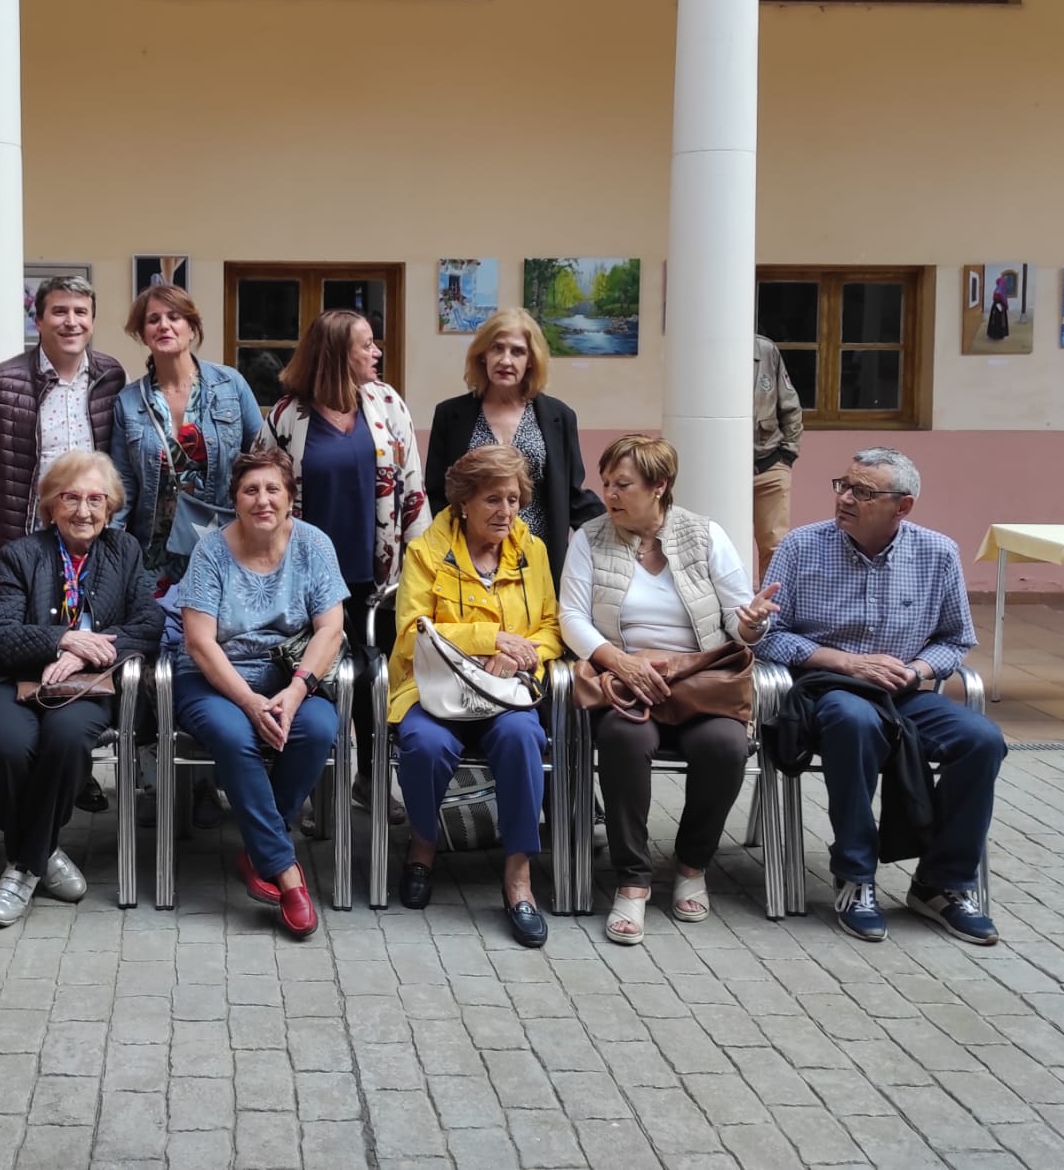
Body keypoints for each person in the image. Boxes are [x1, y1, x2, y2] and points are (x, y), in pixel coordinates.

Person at [755, 448, 1004, 946]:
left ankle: (942, 883)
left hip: (903, 691)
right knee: (855, 723)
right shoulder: (802, 547)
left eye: (863, 492)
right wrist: (842, 661)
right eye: (842, 485)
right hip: (827, 689)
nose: (845, 498)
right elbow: (767, 635)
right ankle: (855, 875)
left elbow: (956, 640)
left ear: (902, 507)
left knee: (982, 740)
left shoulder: (937, 553)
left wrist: (917, 670)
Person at [559, 435, 778, 945]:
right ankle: (633, 881)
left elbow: (737, 617)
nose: (609, 494)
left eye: (623, 485)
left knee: (725, 747)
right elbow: (571, 617)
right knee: (623, 741)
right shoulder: (589, 538)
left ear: (659, 487)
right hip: (627, 684)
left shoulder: (705, 535)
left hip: (699, 684)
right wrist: (620, 662)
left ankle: (690, 864)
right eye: (606, 483)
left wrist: (750, 625)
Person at [0, 451, 161, 926]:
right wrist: (62, 639)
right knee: (10, 745)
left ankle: (21, 868)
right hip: (9, 680)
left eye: (96, 499)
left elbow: (149, 623)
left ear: (111, 507)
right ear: (51, 505)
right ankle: (43, 853)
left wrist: (85, 654)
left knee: (66, 737)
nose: (84, 510)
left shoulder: (125, 551)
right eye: (70, 498)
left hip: (88, 684)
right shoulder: (21, 555)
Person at [385, 446, 563, 947]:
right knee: (425, 744)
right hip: (435, 688)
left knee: (522, 736)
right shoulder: (426, 551)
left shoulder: (534, 552)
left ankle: (518, 873)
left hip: (505, 690)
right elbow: (410, 631)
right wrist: (490, 639)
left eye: (513, 500)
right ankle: (423, 843)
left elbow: (551, 628)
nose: (506, 512)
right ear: (463, 502)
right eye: (492, 500)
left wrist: (523, 653)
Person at [176, 446, 348, 938]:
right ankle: (287, 872)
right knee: (235, 736)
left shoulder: (314, 544)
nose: (263, 500)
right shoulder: (211, 550)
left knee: (318, 727)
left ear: (291, 498)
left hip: (289, 676)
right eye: (251, 490)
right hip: (214, 679)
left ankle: (257, 850)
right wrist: (250, 703)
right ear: (235, 499)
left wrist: (294, 694)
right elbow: (199, 641)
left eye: (274, 488)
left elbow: (330, 630)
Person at [262, 309, 428, 814]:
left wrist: (419, 570)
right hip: (305, 579)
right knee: (314, 681)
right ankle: (313, 787)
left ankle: (371, 780)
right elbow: (266, 495)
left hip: (373, 577)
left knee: (374, 685)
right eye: (366, 345)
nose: (376, 353)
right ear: (336, 352)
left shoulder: (386, 403)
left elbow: (412, 489)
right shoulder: (288, 415)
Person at [110, 281, 262, 828]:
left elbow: (260, 459)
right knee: (158, 661)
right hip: (155, 556)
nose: (164, 326)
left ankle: (211, 777)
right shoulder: (130, 402)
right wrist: (117, 556)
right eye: (153, 319)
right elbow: (123, 484)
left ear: (193, 327)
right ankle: (165, 783)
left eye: (175, 317)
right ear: (141, 333)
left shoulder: (230, 386)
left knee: (219, 652)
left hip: (226, 552)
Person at [0, 275, 127, 590]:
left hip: (94, 540)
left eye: (81, 312)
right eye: (60, 311)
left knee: (91, 634)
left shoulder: (113, 378)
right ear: (38, 320)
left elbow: (123, 465)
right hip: (23, 540)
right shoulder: (0, 384)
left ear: (92, 321)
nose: (71, 322)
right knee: (24, 635)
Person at [426, 308, 602, 582]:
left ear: (531, 360)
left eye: (517, 352)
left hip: (538, 561)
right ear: (483, 354)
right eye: (497, 348)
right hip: (470, 562)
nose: (506, 360)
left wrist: (620, 526)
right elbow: (439, 494)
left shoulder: (559, 416)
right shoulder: (450, 415)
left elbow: (571, 494)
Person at [753, 333, 803, 580]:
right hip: (721, 472)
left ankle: (769, 614)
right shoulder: (702, 350)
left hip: (768, 463)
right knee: (717, 543)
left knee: (774, 546)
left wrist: (788, 453)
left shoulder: (765, 350)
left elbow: (790, 406)